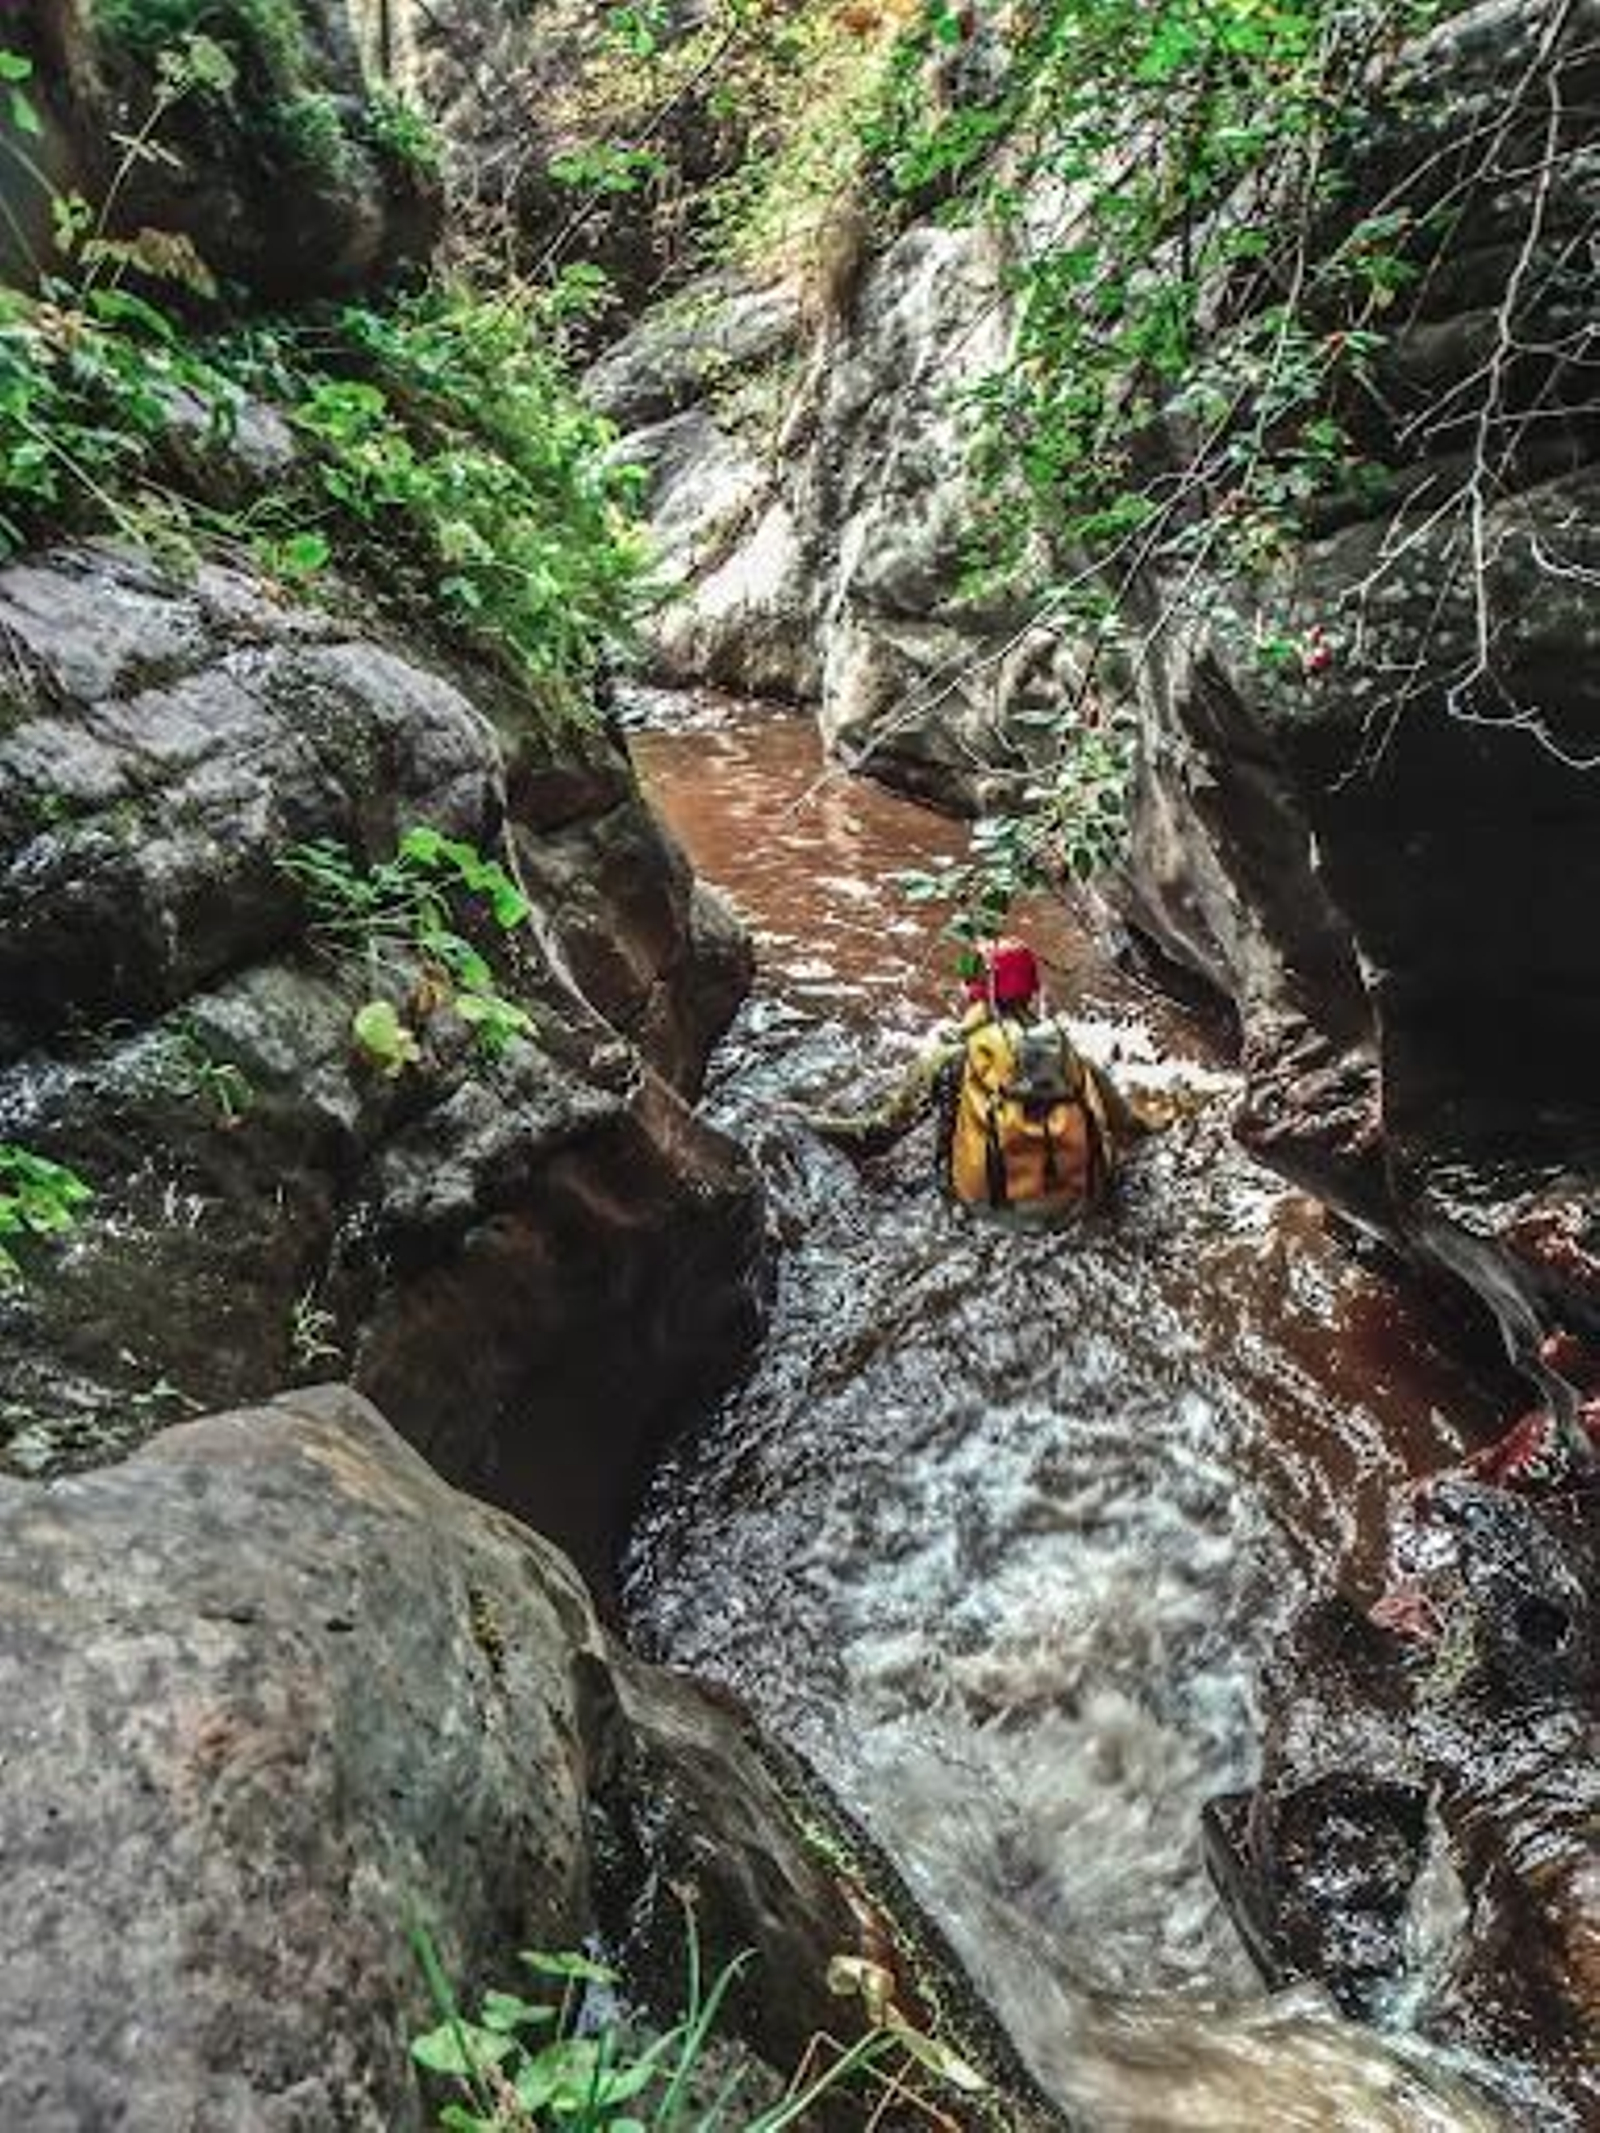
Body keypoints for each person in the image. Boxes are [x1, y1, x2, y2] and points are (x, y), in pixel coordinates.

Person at [803, 935, 1152, 1225]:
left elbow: (876, 1136)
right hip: (1081, 1207)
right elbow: (1132, 1128)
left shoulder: (950, 1058)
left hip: (990, 1215)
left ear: (974, 992)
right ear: (1032, 991)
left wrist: (806, 1123)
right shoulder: (1071, 1054)